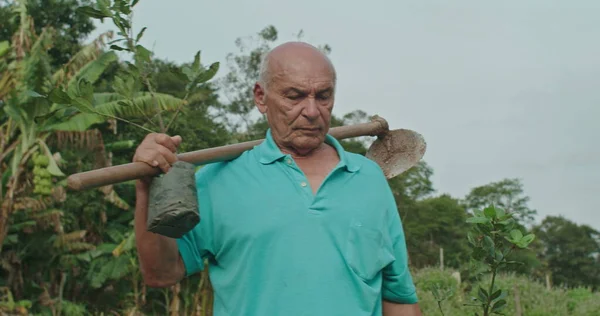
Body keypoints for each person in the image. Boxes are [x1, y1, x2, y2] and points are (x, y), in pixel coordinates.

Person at [133, 42, 422, 316]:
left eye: (323, 96)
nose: (311, 112)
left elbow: (398, 298)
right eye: (294, 96)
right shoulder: (218, 181)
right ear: (261, 97)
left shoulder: (368, 178)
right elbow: (161, 273)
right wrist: (147, 186)